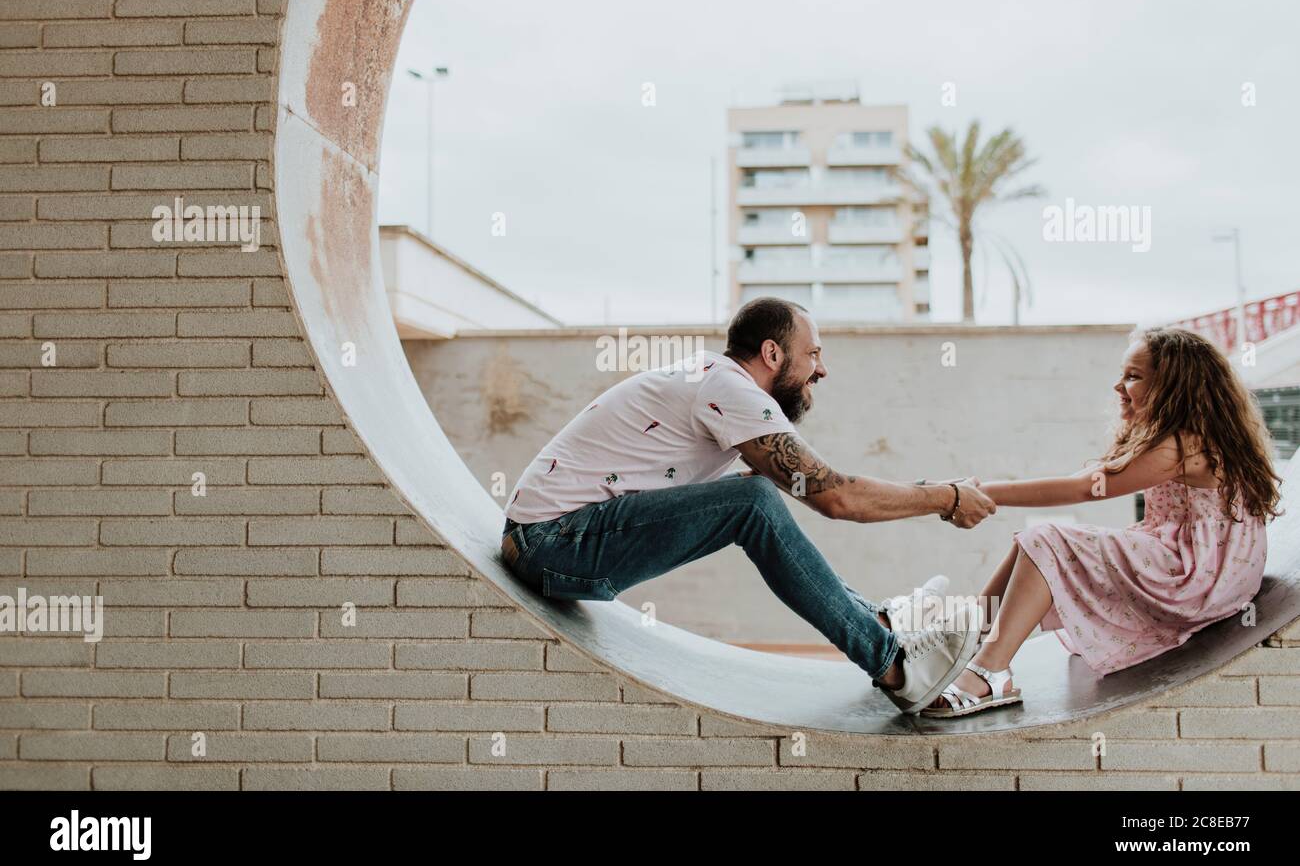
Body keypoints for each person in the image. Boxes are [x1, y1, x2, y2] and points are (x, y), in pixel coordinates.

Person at [498, 297, 996, 715]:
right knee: (754, 500)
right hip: (551, 543)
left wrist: (936, 489)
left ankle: (882, 622)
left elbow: (812, 482)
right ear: (772, 353)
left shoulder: (711, 381)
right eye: (814, 354)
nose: (822, 369)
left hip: (550, 540)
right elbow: (836, 496)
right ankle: (895, 664)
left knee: (757, 493)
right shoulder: (726, 386)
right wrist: (943, 498)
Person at [922, 326, 1281, 718]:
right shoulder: (1181, 436)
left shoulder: (1185, 445)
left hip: (1197, 578)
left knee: (1048, 540)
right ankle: (964, 637)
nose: (1118, 386)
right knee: (1033, 541)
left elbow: (1084, 489)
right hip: (1199, 568)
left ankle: (991, 671)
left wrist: (980, 492)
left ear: (1175, 386)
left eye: (1133, 376)